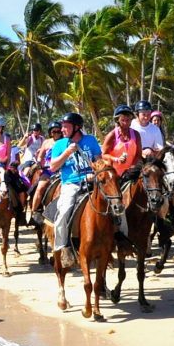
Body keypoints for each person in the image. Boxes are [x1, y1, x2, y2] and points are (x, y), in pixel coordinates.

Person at [49, 112, 102, 268]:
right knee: (63, 212)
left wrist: (95, 173)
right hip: (71, 183)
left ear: (77, 127)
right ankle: (63, 247)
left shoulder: (90, 140)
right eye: (62, 126)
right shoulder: (59, 145)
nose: (63, 129)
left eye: (66, 126)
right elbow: (53, 167)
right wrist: (66, 153)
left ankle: (121, 238)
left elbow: (98, 160)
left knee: (115, 203)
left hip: (92, 181)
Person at [29, 120, 63, 224]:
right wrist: (39, 162)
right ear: (50, 132)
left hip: (62, 170)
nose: (56, 133)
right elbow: (40, 156)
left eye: (58, 131)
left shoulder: (66, 141)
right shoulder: (46, 142)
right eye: (54, 131)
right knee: (40, 187)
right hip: (49, 170)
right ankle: (34, 212)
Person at [101, 104, 142, 176]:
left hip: (132, 170)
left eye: (128, 120)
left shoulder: (136, 134)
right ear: (117, 120)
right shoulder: (112, 135)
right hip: (114, 173)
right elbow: (104, 155)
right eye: (122, 120)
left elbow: (138, 154)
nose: (125, 123)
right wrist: (116, 159)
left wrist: (132, 167)